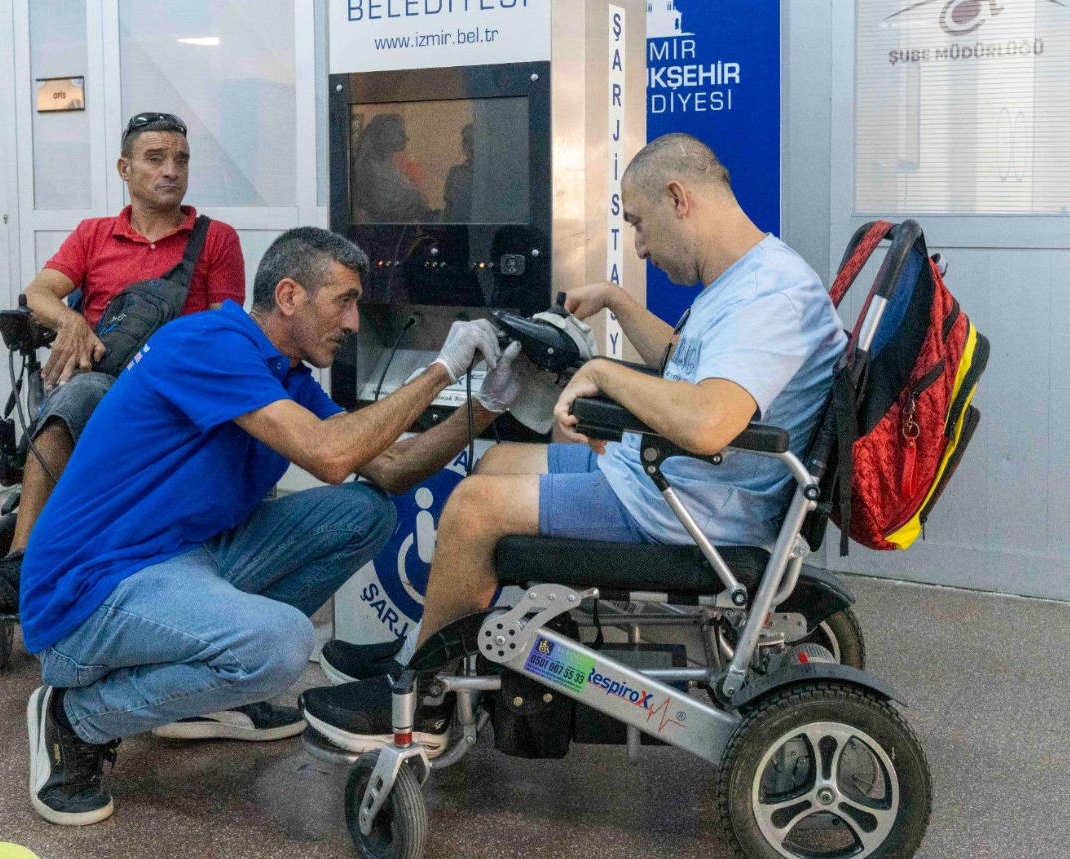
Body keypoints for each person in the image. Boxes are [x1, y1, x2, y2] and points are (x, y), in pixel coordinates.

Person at [303, 133, 849, 753]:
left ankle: (424, 704)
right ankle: (429, 649)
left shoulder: (768, 298)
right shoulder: (752, 278)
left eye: (640, 226)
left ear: (679, 198)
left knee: (474, 507)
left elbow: (707, 423)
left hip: (692, 513)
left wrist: (603, 375)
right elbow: (684, 362)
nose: (639, 245)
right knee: (501, 458)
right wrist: (616, 302)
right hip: (681, 482)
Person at [22, 226, 522, 826]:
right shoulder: (208, 344)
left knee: (362, 513)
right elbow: (329, 454)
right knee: (281, 646)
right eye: (344, 300)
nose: (355, 322)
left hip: (187, 557)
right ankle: (77, 718)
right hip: (92, 591)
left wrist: (488, 404)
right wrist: (441, 369)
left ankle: (205, 690)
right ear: (289, 296)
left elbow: (386, 470)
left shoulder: (285, 376)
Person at [0, 111, 246, 613]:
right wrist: (71, 324)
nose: (171, 171)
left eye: (180, 159)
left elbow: (227, 332)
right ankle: (26, 559)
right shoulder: (94, 234)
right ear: (125, 168)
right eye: (155, 159)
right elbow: (38, 292)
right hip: (97, 386)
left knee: (81, 395)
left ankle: (31, 530)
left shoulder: (216, 240)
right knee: (78, 392)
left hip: (173, 400)